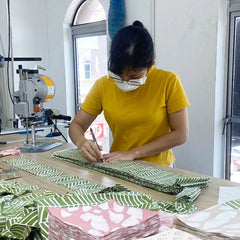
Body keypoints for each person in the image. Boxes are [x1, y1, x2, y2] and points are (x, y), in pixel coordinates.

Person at [69, 20, 190, 166]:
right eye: (118, 75)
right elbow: (76, 125)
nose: (125, 81)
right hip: (118, 165)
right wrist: (82, 142)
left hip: (159, 167)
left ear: (150, 65)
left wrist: (133, 153)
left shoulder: (168, 82)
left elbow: (180, 134)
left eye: (133, 77)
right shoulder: (103, 85)